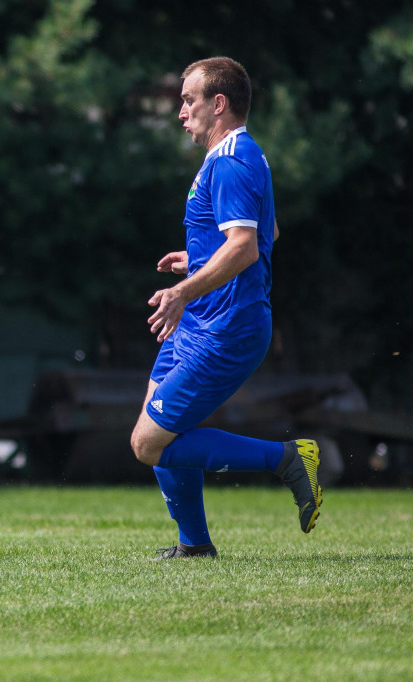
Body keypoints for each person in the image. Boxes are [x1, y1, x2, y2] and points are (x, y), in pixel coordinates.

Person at [129, 57, 322, 559]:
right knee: (165, 431)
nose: (180, 112)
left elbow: (246, 246)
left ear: (218, 103)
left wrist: (184, 290)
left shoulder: (233, 158)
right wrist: (194, 259)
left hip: (226, 328)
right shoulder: (232, 157)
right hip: (201, 322)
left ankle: (286, 459)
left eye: (188, 100)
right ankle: (194, 546)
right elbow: (267, 233)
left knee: (149, 444)